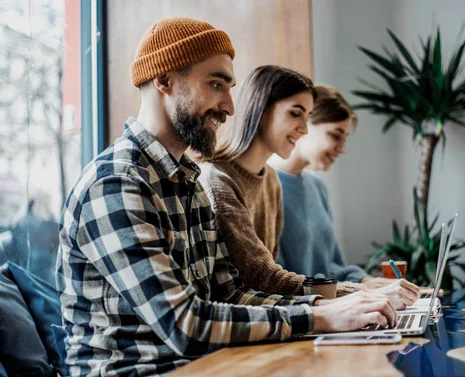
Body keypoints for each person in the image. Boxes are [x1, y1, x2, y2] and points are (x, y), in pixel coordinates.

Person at [55, 18, 398, 377]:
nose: (230, 107)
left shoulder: (189, 182)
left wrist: (331, 307)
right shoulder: (115, 184)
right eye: (216, 84)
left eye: (229, 87)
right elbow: (185, 324)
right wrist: (317, 315)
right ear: (164, 80)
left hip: (208, 366)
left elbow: (230, 295)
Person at [198, 66, 419, 303]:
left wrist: (365, 288)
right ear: (260, 109)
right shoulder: (218, 181)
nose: (303, 128)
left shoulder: (270, 180)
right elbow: (262, 278)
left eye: (307, 116)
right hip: (261, 320)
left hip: (286, 311)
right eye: (296, 113)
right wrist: (362, 293)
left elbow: (274, 275)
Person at [270, 86, 398, 288]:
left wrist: (368, 282)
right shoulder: (265, 187)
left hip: (336, 302)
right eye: (335, 135)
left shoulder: (317, 186)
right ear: (305, 123)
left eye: (344, 138)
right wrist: (358, 289)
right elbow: (274, 278)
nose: (343, 148)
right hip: (307, 311)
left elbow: (332, 266)